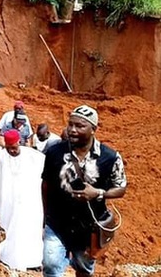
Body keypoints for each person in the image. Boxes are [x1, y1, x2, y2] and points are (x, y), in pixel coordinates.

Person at [42, 105, 127, 277]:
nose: (72, 130)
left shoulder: (110, 157)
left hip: (89, 228)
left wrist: (98, 193)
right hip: (57, 223)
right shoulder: (54, 152)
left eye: (80, 126)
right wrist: (45, 217)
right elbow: (46, 186)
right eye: (70, 124)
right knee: (50, 265)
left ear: (93, 129)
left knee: (84, 269)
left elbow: (121, 188)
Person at [0, 130, 45, 271]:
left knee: (32, 229)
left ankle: (34, 261)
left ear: (19, 142)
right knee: (14, 228)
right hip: (11, 200)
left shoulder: (33, 155)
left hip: (30, 201)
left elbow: (49, 168)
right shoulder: (2, 156)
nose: (11, 151)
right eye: (8, 148)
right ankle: (14, 260)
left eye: (14, 147)